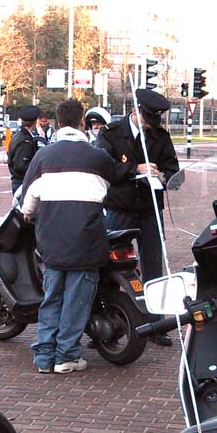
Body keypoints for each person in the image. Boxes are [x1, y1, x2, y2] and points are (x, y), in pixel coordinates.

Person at [21, 98, 115, 373]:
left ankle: (44, 357)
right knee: (77, 301)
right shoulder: (98, 157)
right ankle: (67, 356)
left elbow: (28, 202)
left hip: (51, 242)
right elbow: (110, 187)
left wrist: (31, 214)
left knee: (52, 298)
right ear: (82, 123)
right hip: (86, 242)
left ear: (58, 122)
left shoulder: (43, 157)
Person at [95, 89, 179, 346]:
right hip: (119, 208)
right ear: (135, 110)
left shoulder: (160, 136)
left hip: (149, 208)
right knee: (105, 264)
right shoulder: (110, 134)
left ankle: (156, 324)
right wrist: (135, 169)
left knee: (153, 266)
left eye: (153, 121)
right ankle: (102, 319)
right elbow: (104, 166)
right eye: (146, 119)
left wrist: (165, 177)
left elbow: (172, 166)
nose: (149, 126)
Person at [7, 105, 42, 194]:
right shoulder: (24, 140)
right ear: (35, 121)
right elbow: (21, 165)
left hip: (20, 181)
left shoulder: (19, 136)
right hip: (22, 182)